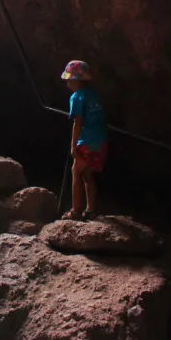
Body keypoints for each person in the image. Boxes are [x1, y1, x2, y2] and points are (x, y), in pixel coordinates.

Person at [61, 60, 108, 220]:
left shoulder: (76, 97)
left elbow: (78, 122)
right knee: (88, 174)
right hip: (101, 140)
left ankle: (75, 211)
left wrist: (73, 146)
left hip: (87, 141)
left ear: (77, 80)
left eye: (69, 79)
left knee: (76, 171)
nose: (67, 83)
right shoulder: (93, 94)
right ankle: (91, 210)